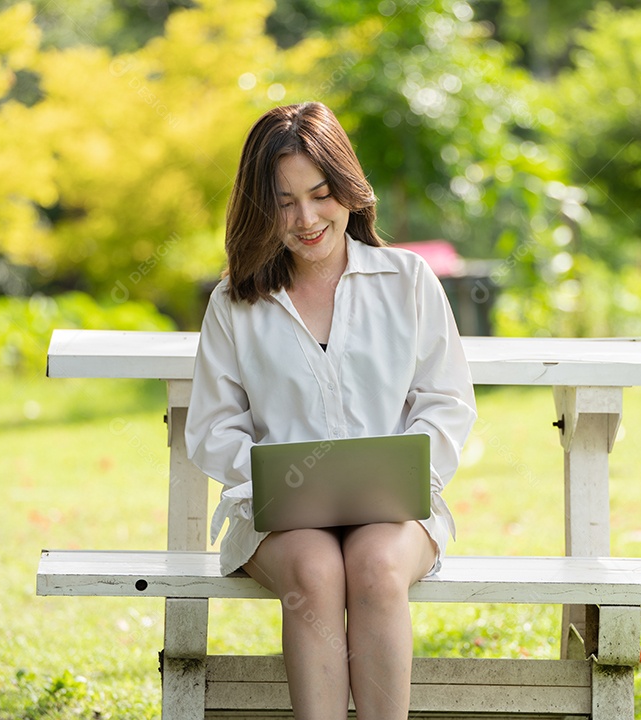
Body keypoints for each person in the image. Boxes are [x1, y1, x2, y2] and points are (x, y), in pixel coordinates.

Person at [184, 101, 477, 720]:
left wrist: (408, 476)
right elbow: (213, 428)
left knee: (373, 564)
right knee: (317, 567)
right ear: (260, 208)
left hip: (398, 506)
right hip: (274, 517)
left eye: (320, 194)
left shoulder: (407, 280)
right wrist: (274, 476)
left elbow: (445, 402)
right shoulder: (235, 303)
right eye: (284, 202)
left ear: (348, 189)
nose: (307, 218)